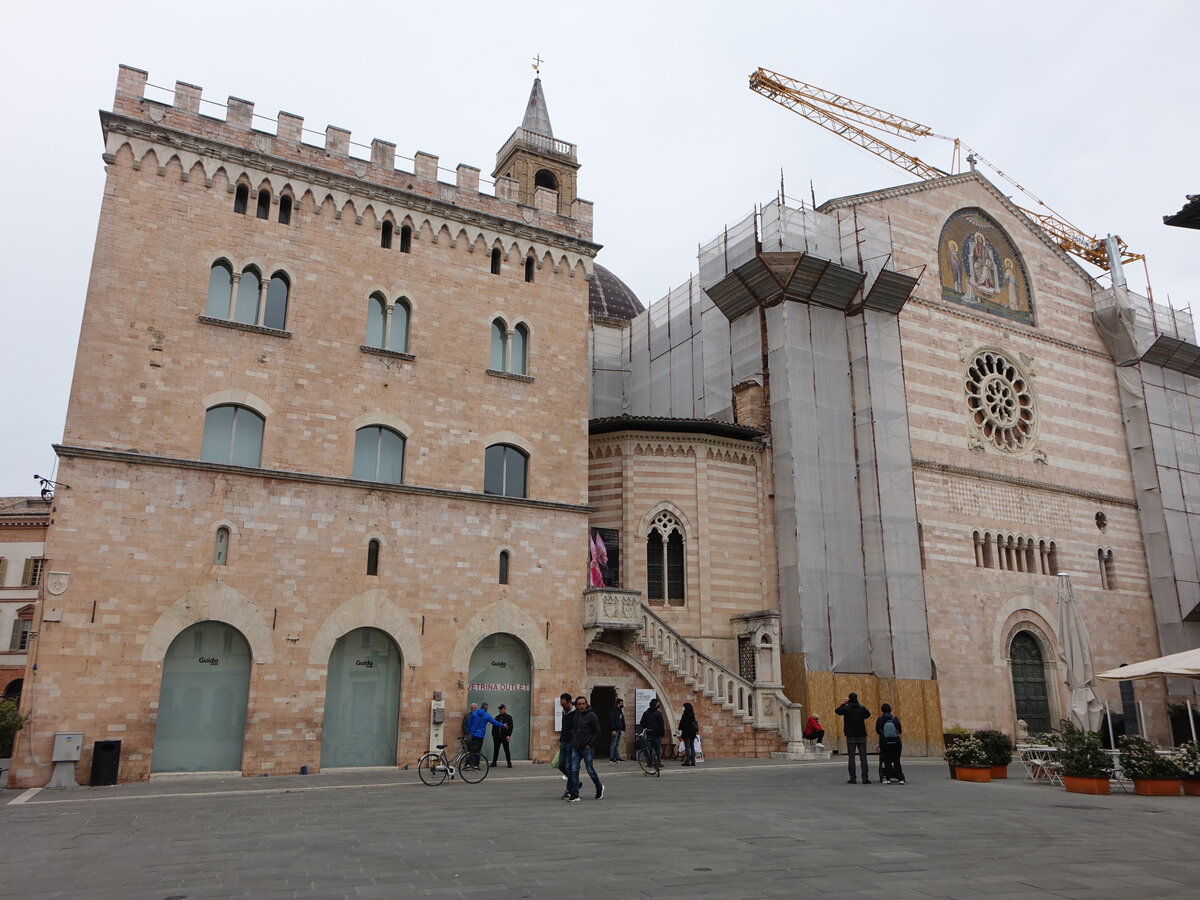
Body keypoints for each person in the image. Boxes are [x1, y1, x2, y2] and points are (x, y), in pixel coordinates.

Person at [565, 696, 604, 801]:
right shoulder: (575, 715)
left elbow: (597, 731)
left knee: (590, 769)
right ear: (576, 705)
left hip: (587, 747)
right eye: (579, 704)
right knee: (574, 770)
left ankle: (599, 787)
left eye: (583, 704)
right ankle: (575, 794)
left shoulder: (592, 716)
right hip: (576, 747)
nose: (581, 706)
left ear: (586, 704)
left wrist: (590, 744)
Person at [835, 692, 872, 784]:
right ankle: (865, 778)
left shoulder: (846, 708)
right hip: (861, 735)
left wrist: (844, 703)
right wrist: (859, 704)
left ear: (849, 699)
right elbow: (867, 714)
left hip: (850, 735)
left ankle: (853, 778)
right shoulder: (861, 708)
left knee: (851, 758)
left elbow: (838, 711)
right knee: (863, 758)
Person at [464, 702, 505, 769]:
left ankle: (468, 764)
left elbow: (469, 724)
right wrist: (503, 725)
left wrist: (469, 732)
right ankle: (476, 765)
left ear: (481, 707)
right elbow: (494, 722)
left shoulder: (474, 713)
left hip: (472, 735)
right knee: (477, 750)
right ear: (486, 708)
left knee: (470, 750)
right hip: (480, 736)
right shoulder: (487, 715)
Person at [875, 702, 905, 785]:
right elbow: (900, 730)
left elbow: (877, 731)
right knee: (896, 760)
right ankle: (900, 779)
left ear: (882, 710)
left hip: (884, 742)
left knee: (886, 760)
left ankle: (888, 779)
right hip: (896, 742)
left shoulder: (880, 719)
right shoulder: (895, 719)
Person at [639, 697, 665, 774]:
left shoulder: (646, 713)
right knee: (657, 749)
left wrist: (646, 727)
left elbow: (642, 723)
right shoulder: (658, 714)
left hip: (649, 733)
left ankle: (650, 762)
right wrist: (662, 734)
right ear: (656, 705)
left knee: (648, 748)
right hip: (657, 734)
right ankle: (657, 762)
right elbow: (661, 725)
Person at [557, 692, 575, 795]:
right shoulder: (564, 711)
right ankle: (575, 782)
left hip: (572, 742)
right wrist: (561, 739)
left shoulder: (575, 712)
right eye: (561, 704)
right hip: (564, 741)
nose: (562, 706)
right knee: (561, 765)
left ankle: (570, 790)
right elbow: (564, 727)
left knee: (569, 766)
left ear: (569, 702)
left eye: (564, 704)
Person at [491, 703, 514, 768]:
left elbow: (511, 727)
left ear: (505, 709)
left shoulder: (509, 717)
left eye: (501, 709)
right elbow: (494, 726)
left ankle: (509, 763)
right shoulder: (497, 717)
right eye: (499, 709)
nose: (500, 710)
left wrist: (509, 735)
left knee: (506, 750)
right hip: (497, 737)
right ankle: (494, 762)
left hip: (505, 736)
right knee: (496, 750)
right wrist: (493, 735)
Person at [678, 702, 699, 766]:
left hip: (686, 733)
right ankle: (693, 761)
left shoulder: (685, 714)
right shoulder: (692, 714)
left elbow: (682, 724)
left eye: (684, 707)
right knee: (692, 746)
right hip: (692, 733)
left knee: (687, 747)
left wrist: (680, 728)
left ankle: (687, 761)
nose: (683, 708)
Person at [609, 697, 626, 762]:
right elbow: (612, 720)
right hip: (615, 729)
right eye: (621, 703)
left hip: (619, 729)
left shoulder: (619, 710)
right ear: (618, 704)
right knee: (613, 743)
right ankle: (612, 757)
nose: (622, 704)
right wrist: (613, 729)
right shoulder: (614, 710)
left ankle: (617, 757)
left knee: (617, 744)